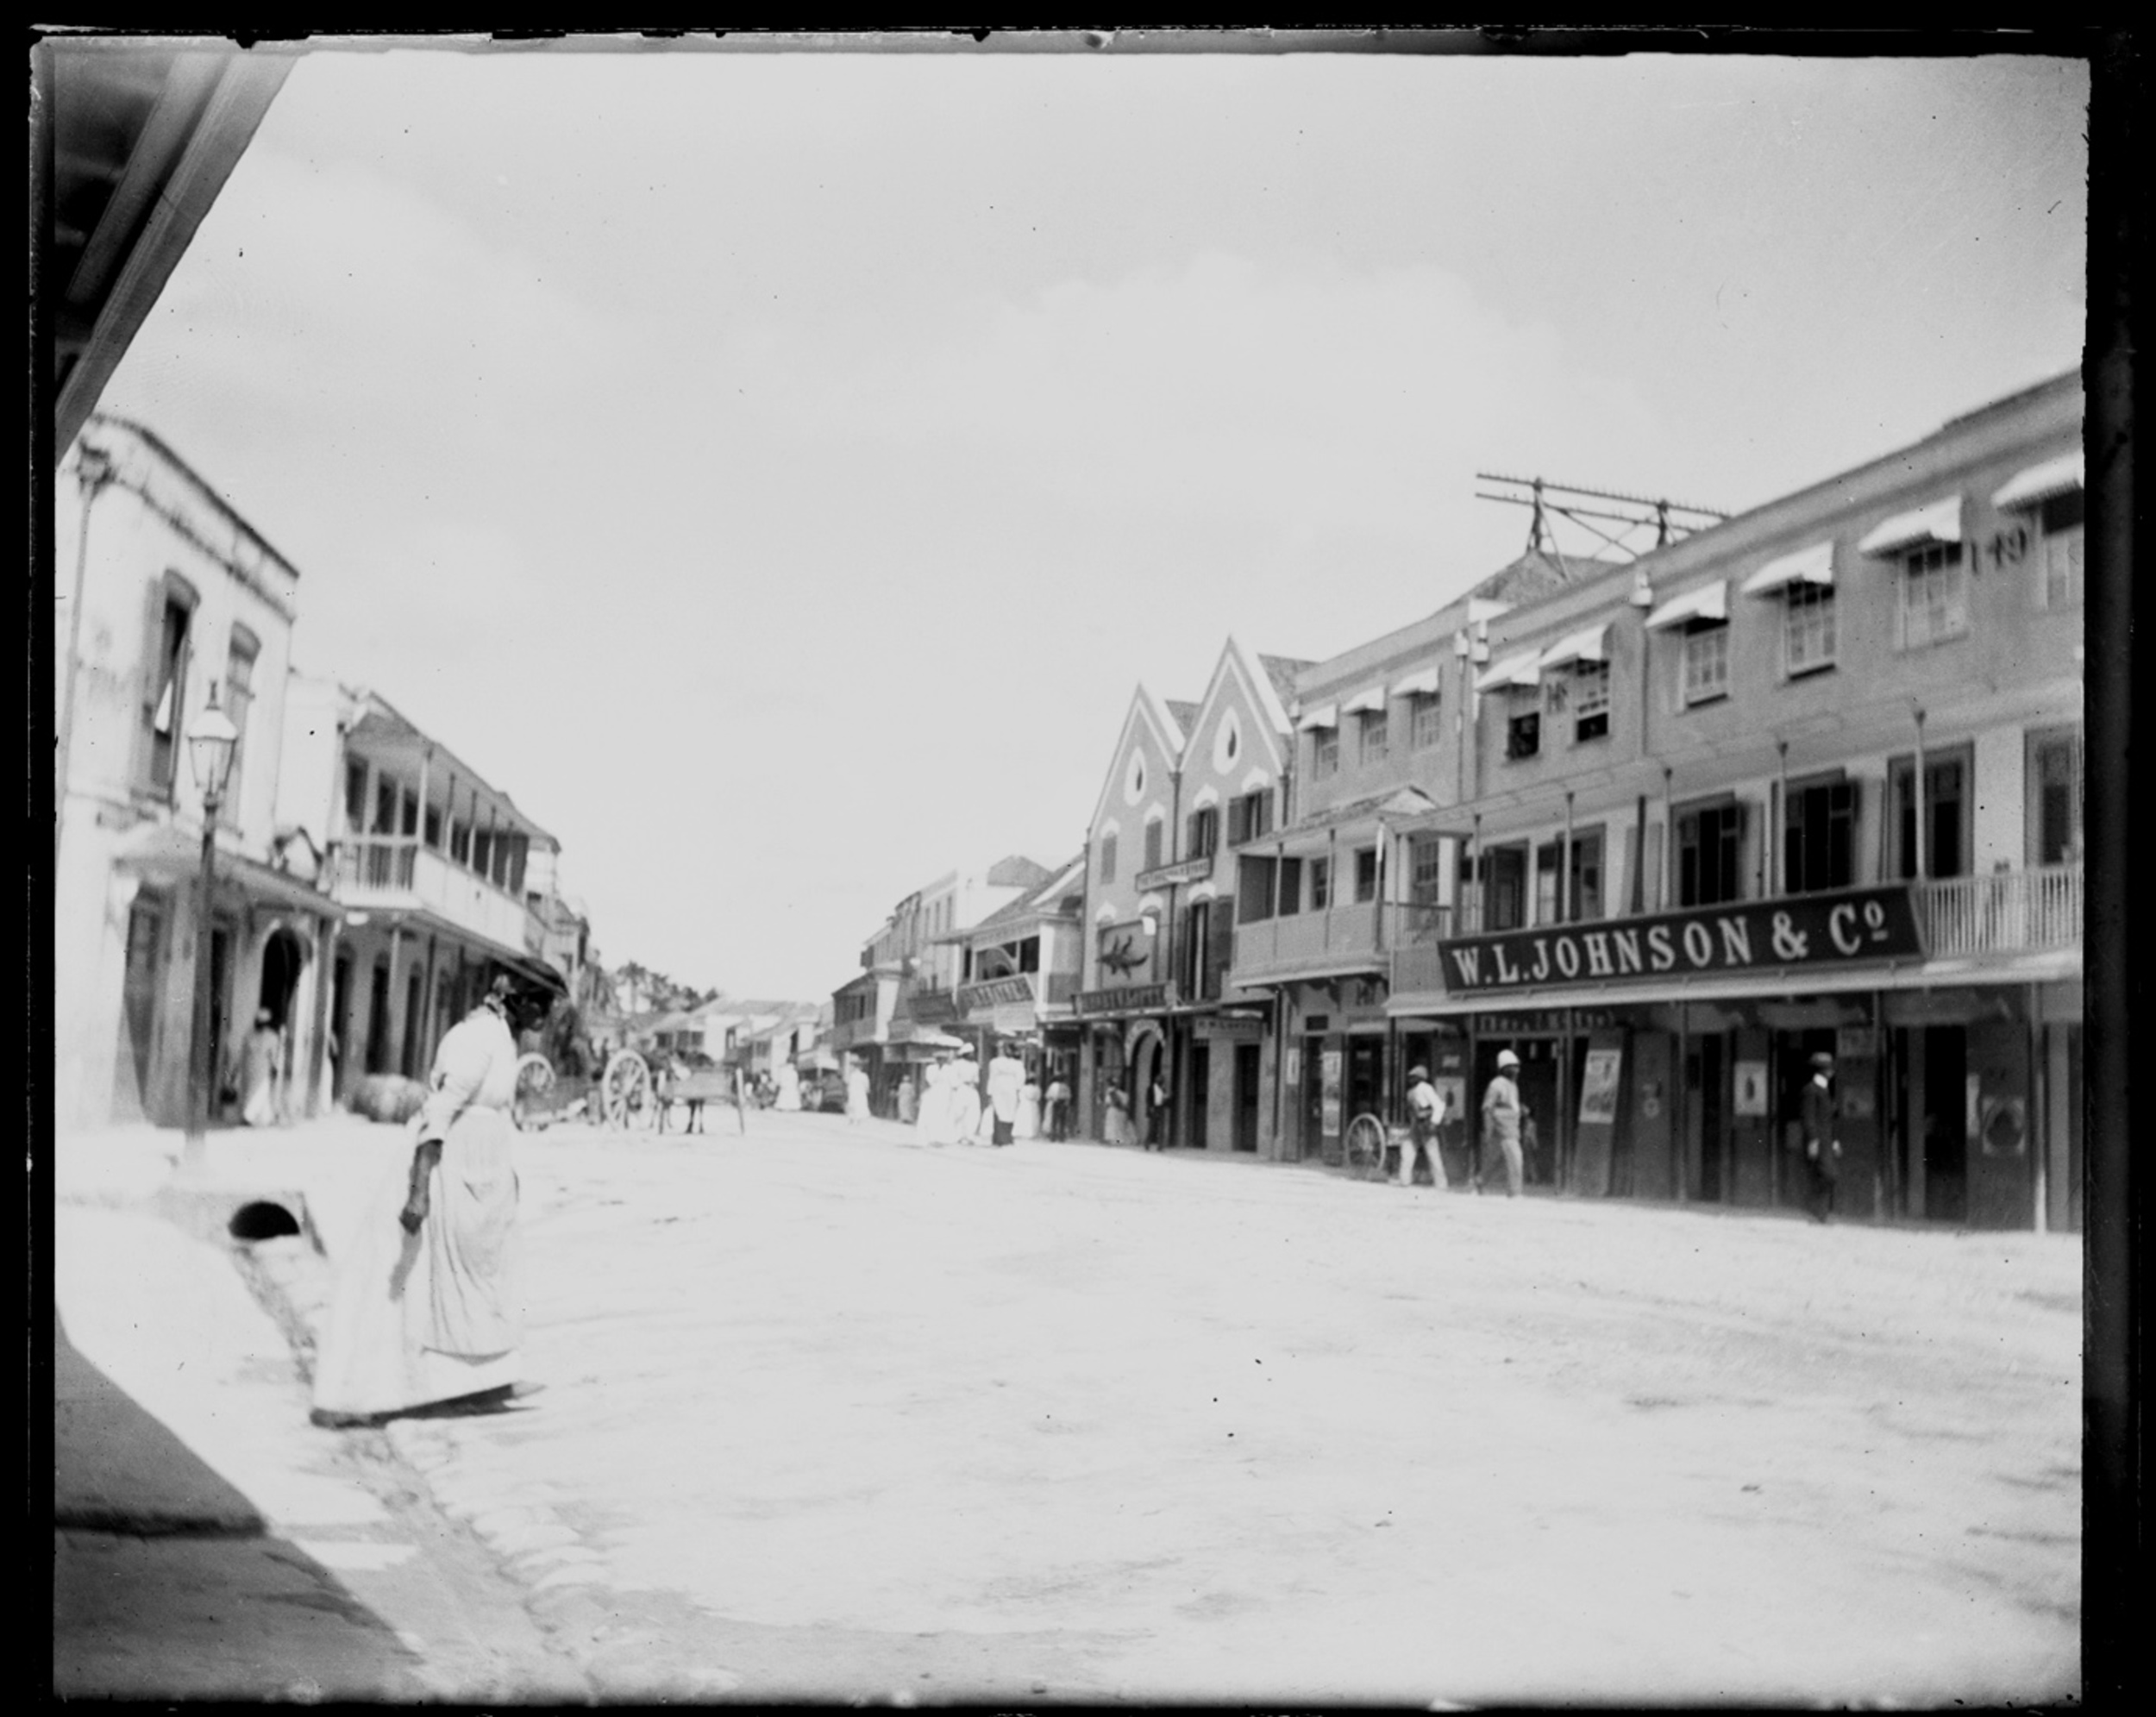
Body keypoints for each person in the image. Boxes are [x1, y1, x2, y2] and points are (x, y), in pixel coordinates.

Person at [311, 975, 533, 1429]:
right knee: (408, 1279)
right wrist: (418, 1189)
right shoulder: (477, 1038)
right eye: (541, 1005)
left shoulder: (502, 1037)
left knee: (465, 1286)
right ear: (517, 1000)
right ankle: (366, 1391)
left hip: (475, 1173)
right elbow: (439, 1112)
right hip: (441, 1167)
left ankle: (469, 1385)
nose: (546, 1017)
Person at [1800, 1051, 1842, 1224]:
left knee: (1826, 1176)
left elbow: (1829, 1120)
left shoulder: (1825, 1090)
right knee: (1828, 1175)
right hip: (1818, 1141)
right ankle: (1814, 1209)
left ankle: (1820, 1215)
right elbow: (1808, 1117)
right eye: (1827, 1068)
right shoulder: (1811, 1090)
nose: (1831, 1071)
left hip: (1827, 1141)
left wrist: (1835, 1140)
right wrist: (1813, 1140)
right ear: (1820, 1070)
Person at [1479, 1049, 1526, 1197]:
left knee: (1493, 1161)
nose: (1516, 1070)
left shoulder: (1512, 1085)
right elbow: (1487, 1108)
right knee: (1516, 1159)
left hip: (1510, 1129)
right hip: (1503, 1128)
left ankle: (1479, 1182)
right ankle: (1515, 1192)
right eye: (1512, 1067)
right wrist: (1488, 1131)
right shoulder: (1497, 1084)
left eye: (1517, 1066)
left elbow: (1509, 1105)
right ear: (1504, 1069)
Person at [1405, 1064, 1449, 1189]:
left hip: (1426, 1124)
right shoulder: (1412, 1091)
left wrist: (1434, 1123)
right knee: (1408, 1149)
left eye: (1413, 1077)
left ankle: (1441, 1184)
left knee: (1433, 1153)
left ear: (1419, 1078)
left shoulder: (1425, 1089)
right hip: (1416, 1124)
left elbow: (1439, 1106)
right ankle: (1405, 1180)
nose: (1410, 1079)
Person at [240, 1009, 284, 1128]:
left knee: (258, 1091)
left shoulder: (251, 1036)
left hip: (256, 1066)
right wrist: (274, 1067)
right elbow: (273, 1056)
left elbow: (245, 1053)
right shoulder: (270, 1037)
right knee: (258, 1091)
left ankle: (264, 1117)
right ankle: (248, 1116)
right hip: (259, 1067)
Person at [986, 1041, 1025, 1146]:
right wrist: (990, 1093)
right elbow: (992, 1078)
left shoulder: (1017, 1063)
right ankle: (999, 1138)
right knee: (999, 1112)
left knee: (1010, 1112)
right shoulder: (994, 1062)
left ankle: (1008, 1137)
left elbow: (1020, 1077)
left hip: (1011, 1088)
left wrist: (1018, 1090)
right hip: (998, 1088)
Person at [949, 1043, 984, 1144]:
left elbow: (977, 1079)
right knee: (959, 1113)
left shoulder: (975, 1065)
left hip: (972, 1090)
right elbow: (953, 1078)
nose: (972, 1055)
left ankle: (969, 1136)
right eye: (970, 1053)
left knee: (973, 1113)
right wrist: (957, 1087)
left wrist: (974, 1084)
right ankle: (957, 1135)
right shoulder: (957, 1064)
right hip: (961, 1088)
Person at [1045, 1073, 1072, 1142]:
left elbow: (1049, 1095)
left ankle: (1053, 1137)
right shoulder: (1066, 1087)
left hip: (1056, 1103)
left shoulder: (1055, 1086)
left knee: (1054, 1121)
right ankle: (1061, 1137)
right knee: (1062, 1121)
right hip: (1063, 1104)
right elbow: (1068, 1096)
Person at [1017, 1070, 1042, 1141]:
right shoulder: (1037, 1088)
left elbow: (1020, 1096)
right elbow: (1038, 1097)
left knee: (1024, 1118)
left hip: (1024, 1104)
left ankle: (1022, 1132)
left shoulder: (1024, 1087)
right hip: (1033, 1104)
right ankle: (1032, 1133)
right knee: (1033, 1119)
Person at [1147, 1075, 1170, 1150]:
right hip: (1154, 1108)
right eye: (1159, 1080)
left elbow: (1166, 1099)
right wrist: (1150, 1107)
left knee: (1161, 1128)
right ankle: (1147, 1143)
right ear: (1156, 1081)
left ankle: (1160, 1146)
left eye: (1162, 1080)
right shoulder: (1151, 1088)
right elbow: (1148, 1099)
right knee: (1152, 1127)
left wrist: (1166, 1099)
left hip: (1161, 1108)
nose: (1161, 1082)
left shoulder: (1163, 1089)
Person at [1105, 1080, 1131, 1146]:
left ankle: (1114, 1141)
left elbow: (1108, 1102)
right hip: (1122, 1112)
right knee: (1120, 1129)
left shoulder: (1113, 1093)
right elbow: (1125, 1104)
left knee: (1113, 1128)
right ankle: (1118, 1141)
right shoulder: (1126, 1094)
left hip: (1113, 1111)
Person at [845, 1058, 871, 1125]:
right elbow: (867, 1086)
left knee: (852, 1105)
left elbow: (849, 1084)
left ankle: (851, 1119)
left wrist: (848, 1092)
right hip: (861, 1093)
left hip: (853, 1092)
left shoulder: (852, 1075)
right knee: (860, 1105)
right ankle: (859, 1120)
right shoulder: (864, 1076)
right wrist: (867, 1090)